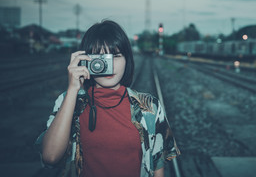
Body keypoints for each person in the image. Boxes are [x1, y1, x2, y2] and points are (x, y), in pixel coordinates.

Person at [35, 20, 180, 177]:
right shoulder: (69, 101)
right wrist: (72, 89)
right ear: (85, 60)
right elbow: (50, 157)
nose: (108, 65)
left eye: (116, 56)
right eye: (100, 58)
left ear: (127, 59)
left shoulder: (149, 106)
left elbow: (158, 165)